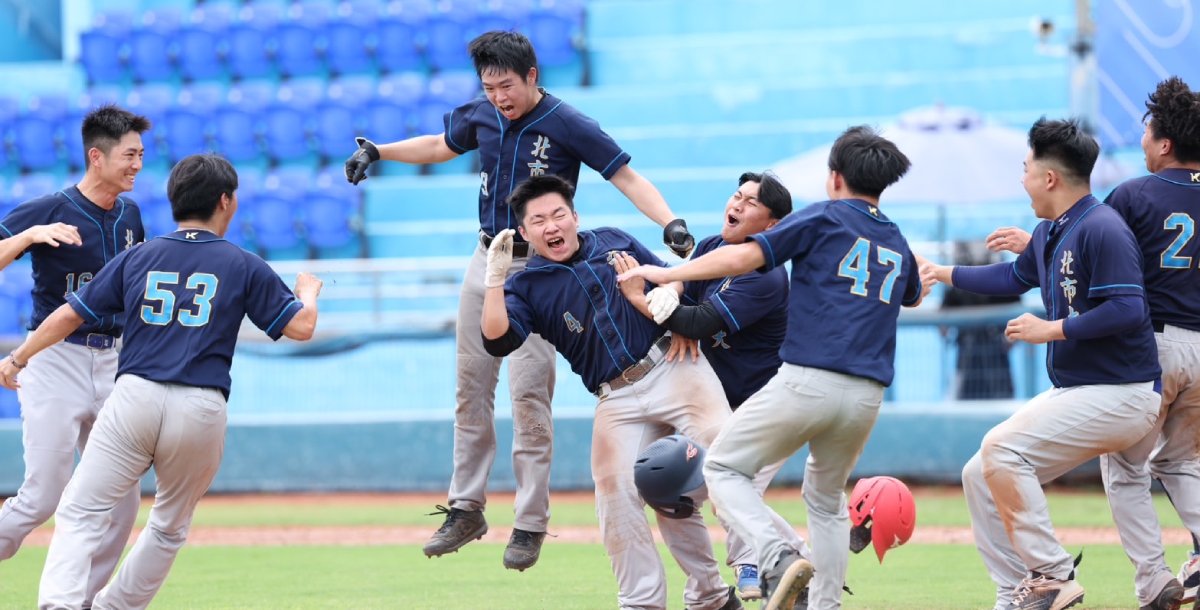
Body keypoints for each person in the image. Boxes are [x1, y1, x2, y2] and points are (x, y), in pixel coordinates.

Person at [344, 30, 696, 570]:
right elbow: (442, 145)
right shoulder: (482, 114)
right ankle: (466, 506)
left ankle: (530, 521)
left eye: (506, 85)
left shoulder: (567, 123)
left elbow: (623, 174)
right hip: (487, 260)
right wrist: (379, 151)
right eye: (489, 88)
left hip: (538, 271)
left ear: (532, 76)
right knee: (470, 388)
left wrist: (668, 221)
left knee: (529, 394)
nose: (498, 97)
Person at [619, 125, 927, 610]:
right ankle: (824, 605)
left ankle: (776, 555)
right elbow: (912, 291)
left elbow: (746, 255)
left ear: (835, 176)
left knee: (720, 469)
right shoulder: (895, 238)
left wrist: (666, 272)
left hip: (809, 379)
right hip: (867, 396)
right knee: (825, 503)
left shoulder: (824, 217)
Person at [0, 153, 323, 610]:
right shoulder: (243, 263)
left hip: (135, 395)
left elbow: (70, 314)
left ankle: (60, 604)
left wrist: (20, 356)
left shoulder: (140, 254)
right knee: (168, 527)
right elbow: (301, 329)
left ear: (175, 201)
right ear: (226, 201)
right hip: (201, 405)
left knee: (81, 510)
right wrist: (306, 294)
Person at [922, 117, 1162, 610]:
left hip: (1124, 393)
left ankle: (1052, 574)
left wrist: (1048, 329)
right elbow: (1013, 278)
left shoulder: (1102, 227)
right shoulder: (1053, 230)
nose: (1023, 176)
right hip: (1084, 391)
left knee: (1001, 449)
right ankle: (1016, 593)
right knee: (979, 472)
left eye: (1026, 167)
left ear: (1049, 178)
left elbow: (1128, 309)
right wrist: (942, 273)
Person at [987, 78, 1200, 610]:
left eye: (1149, 133)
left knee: (1125, 467)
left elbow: (1086, 241)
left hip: (1156, 347)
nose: (1144, 141)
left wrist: (1038, 246)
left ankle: (1154, 580)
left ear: (1166, 143)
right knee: (1181, 463)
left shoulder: (1134, 194)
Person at [481, 174, 740, 610]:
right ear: (524, 233)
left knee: (728, 456)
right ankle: (646, 602)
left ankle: (761, 568)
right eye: (538, 220)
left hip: (674, 364)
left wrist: (671, 302)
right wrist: (493, 279)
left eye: (559, 214)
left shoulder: (612, 241)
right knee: (615, 492)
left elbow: (671, 277)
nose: (552, 226)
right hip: (616, 397)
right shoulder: (525, 285)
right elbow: (496, 340)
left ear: (575, 216)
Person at [619, 170, 806, 603]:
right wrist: (676, 299)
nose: (736, 205)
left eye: (751, 203)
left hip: (766, 409)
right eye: (736, 196)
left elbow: (697, 320)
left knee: (733, 488)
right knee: (665, 485)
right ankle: (709, 593)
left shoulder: (767, 276)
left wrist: (642, 300)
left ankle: (779, 566)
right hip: (711, 406)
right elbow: (682, 288)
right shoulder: (711, 247)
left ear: (773, 226)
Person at [0, 104, 149, 607]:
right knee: (42, 497)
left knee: (123, 499)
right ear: (96, 157)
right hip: (56, 359)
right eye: (129, 155)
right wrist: (26, 236)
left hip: (112, 361)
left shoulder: (131, 215)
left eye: (141, 155)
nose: (136, 164)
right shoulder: (49, 208)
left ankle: (78, 601)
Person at [940, 241, 1019, 400]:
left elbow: (943, 327)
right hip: (975, 352)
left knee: (996, 397)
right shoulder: (1002, 279)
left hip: (987, 351)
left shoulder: (958, 283)